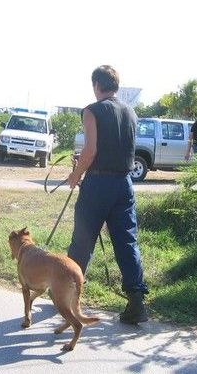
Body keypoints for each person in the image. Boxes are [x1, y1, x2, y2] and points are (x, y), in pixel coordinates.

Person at [66, 65, 149, 324]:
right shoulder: (131, 112)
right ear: (116, 85)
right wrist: (88, 161)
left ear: (96, 86)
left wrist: (76, 173)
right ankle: (136, 303)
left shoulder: (91, 110)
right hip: (124, 184)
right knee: (127, 242)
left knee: (82, 241)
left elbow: (90, 151)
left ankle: (69, 294)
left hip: (98, 184)